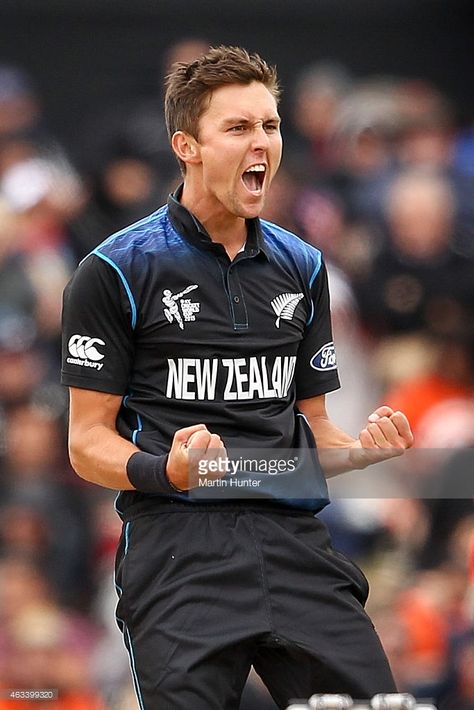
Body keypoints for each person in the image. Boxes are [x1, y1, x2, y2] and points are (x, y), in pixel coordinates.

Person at [61, 46, 414, 710]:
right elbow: (86, 444)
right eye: (239, 128)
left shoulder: (305, 267)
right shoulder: (114, 270)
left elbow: (311, 437)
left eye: (270, 126)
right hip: (177, 550)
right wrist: (168, 470)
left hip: (294, 541)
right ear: (186, 146)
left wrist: (360, 453)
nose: (262, 143)